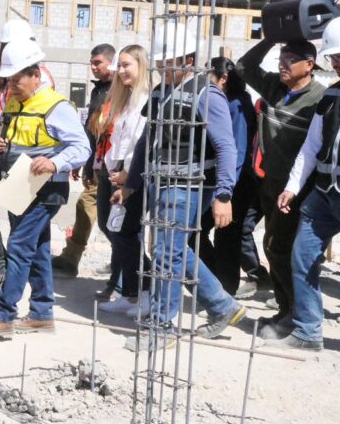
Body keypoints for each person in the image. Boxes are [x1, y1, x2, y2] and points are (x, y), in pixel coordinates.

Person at [118, 20, 245, 352]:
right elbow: (147, 140)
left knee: (166, 254)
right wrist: (132, 181)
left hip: (190, 184)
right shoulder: (161, 91)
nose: (161, 68)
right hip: (161, 181)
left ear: (188, 60)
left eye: (167, 62)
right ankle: (222, 305)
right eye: (159, 63)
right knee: (173, 250)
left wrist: (224, 193)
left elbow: (226, 146)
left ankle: (162, 326)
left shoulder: (207, 93)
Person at [0, 39, 90, 336]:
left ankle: (3, 313)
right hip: (19, 186)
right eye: (8, 80)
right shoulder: (14, 103)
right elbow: (13, 140)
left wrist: (54, 162)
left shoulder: (57, 106)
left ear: (35, 75)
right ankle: (41, 313)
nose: (11, 85)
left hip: (46, 190)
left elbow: (82, 147)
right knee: (36, 249)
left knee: (19, 245)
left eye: (17, 79)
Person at [235, 36, 325, 340]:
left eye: (290, 60)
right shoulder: (274, 86)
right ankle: (286, 310)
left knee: (281, 248)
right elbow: (244, 66)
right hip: (269, 184)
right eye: (280, 58)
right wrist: (270, 39)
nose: (282, 65)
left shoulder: (318, 99)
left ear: (309, 65)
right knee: (274, 247)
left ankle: (296, 315)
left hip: (298, 191)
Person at [0, 20, 58, 291]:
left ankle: (17, 287)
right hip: (3, 153)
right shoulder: (9, 76)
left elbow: (36, 118)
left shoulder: (38, 77)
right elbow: (6, 115)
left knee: (23, 228)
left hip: (25, 160)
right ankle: (3, 268)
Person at [276, 17, 340, 351]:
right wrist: (292, 186)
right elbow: (311, 147)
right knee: (302, 256)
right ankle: (307, 331)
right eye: (334, 58)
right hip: (324, 194)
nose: (336, 63)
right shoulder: (330, 96)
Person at [192, 57, 258, 296]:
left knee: (226, 237)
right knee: (198, 232)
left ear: (223, 79)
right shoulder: (221, 100)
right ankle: (215, 284)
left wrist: (227, 190)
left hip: (235, 183)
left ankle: (225, 290)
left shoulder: (236, 103)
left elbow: (236, 149)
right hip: (222, 180)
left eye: (208, 75)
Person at [52, 44, 117, 280]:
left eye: (98, 63)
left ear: (111, 62)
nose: (93, 67)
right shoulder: (98, 91)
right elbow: (91, 129)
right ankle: (73, 258)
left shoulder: (118, 90)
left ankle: (75, 258)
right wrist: (82, 160)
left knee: (95, 209)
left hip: (112, 163)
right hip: (96, 161)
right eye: (91, 63)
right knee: (92, 208)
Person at [95, 45, 150, 316]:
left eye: (126, 65)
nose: (121, 70)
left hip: (133, 179)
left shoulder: (145, 101)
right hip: (116, 174)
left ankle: (146, 291)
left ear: (141, 65)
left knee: (126, 235)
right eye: (119, 65)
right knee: (116, 231)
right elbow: (118, 140)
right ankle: (130, 292)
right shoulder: (125, 100)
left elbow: (140, 144)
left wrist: (127, 174)